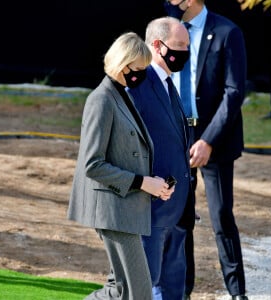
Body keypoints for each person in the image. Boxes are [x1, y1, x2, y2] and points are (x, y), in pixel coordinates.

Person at [67, 32, 175, 300]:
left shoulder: (122, 96)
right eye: (138, 69)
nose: (141, 76)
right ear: (122, 63)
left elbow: (128, 154)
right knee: (139, 293)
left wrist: (155, 185)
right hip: (111, 209)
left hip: (127, 208)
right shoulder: (101, 99)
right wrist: (142, 182)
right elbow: (92, 164)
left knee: (119, 289)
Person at [164, 1, 249, 300]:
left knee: (222, 215)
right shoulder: (165, 29)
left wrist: (208, 140)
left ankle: (237, 292)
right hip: (176, 137)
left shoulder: (227, 32)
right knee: (179, 217)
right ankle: (181, 290)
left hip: (216, 140)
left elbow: (235, 91)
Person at [128, 17, 195, 300]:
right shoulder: (138, 84)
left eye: (187, 47)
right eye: (179, 46)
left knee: (172, 288)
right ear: (157, 45)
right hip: (150, 210)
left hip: (176, 212)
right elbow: (126, 145)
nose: (184, 53)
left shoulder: (169, 83)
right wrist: (144, 184)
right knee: (145, 287)